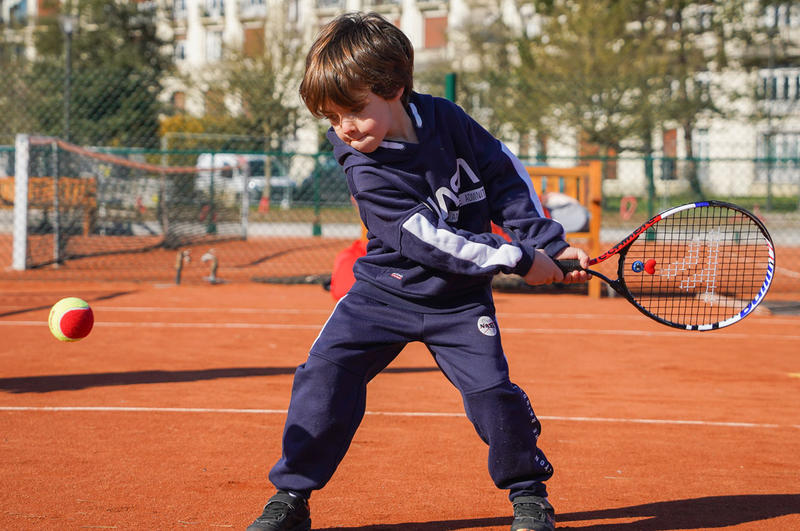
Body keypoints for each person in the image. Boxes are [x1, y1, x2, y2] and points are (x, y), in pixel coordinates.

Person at [246, 12, 588, 531]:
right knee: (325, 378)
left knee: (492, 394)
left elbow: (503, 173)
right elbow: (429, 241)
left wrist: (547, 243)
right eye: (332, 118)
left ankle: (529, 495)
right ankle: (290, 497)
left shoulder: (446, 119)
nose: (344, 129)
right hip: (383, 295)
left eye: (353, 111)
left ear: (395, 89)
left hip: (459, 302)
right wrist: (520, 260)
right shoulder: (365, 167)